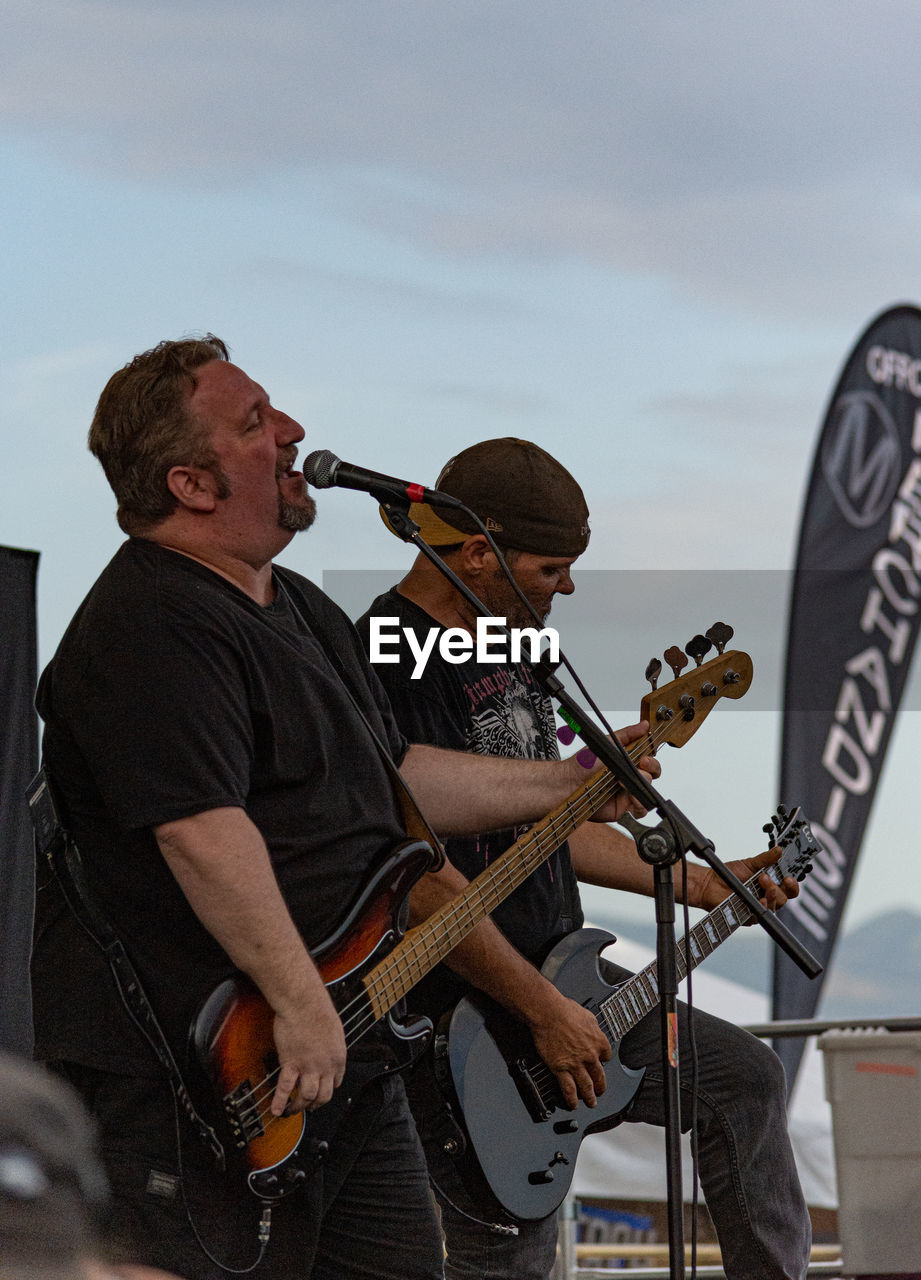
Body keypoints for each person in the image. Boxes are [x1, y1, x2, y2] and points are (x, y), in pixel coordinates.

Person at [31, 338, 656, 1280]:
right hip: (211, 1073)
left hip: (348, 1052)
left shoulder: (303, 615)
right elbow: (201, 831)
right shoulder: (150, 624)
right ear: (192, 484)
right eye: (255, 425)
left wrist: (574, 784)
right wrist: (294, 998)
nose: (293, 434)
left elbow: (398, 793)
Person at [356, 438, 812, 1280]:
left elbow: (557, 816)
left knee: (743, 1079)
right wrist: (536, 1009)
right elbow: (407, 860)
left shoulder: (519, 647)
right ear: (477, 555)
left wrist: (710, 883)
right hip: (469, 1013)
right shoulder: (382, 651)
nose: (565, 587)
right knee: (511, 1250)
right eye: (549, 568)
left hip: (568, 985)